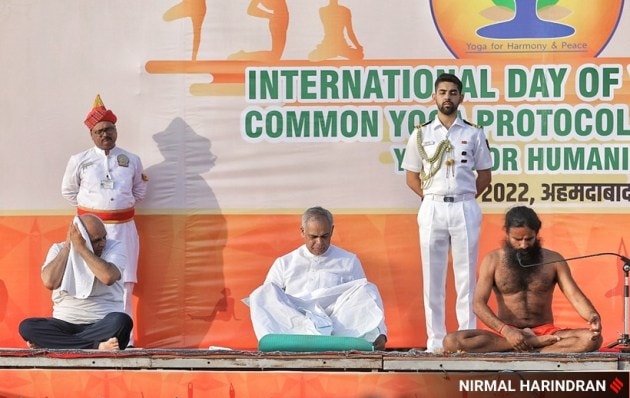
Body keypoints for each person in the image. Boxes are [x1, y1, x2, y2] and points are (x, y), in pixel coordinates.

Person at [401, 73, 493, 352]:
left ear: (461, 97)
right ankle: (436, 342)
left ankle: (467, 340)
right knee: (433, 277)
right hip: (432, 207)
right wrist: (432, 198)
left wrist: (463, 197)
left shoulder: (473, 133)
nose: (447, 97)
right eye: (442, 92)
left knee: (466, 278)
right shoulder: (422, 133)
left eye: (453, 92)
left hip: (464, 205)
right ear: (435, 97)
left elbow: (485, 175)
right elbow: (411, 176)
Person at [443, 206, 603, 353]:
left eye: (529, 239)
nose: (524, 245)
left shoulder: (554, 260)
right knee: (452, 341)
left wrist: (591, 315)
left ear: (537, 233)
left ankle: (527, 345)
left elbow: (574, 295)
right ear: (507, 233)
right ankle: (534, 344)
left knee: (591, 339)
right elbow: (478, 304)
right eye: (517, 240)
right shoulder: (492, 260)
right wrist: (507, 331)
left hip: (546, 331)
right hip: (505, 333)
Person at [61, 95, 148, 346]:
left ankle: (125, 340)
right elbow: (69, 192)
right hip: (89, 232)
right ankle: (92, 337)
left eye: (109, 129)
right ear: (92, 135)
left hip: (123, 230)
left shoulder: (131, 159)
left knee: (124, 281)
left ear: (116, 130)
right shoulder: (80, 160)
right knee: (87, 279)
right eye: (99, 131)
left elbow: (139, 192)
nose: (105, 134)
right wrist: (94, 217)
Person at [248, 207, 388, 350]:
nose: (319, 243)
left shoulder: (348, 261)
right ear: (302, 232)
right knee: (262, 293)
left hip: (337, 324)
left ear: (332, 231)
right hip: (296, 323)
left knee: (368, 289)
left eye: (325, 236)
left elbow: (365, 300)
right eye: (313, 237)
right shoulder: (285, 262)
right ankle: (283, 340)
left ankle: (329, 340)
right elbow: (269, 299)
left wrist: (381, 333)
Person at [18, 214, 133, 350]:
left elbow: (107, 277)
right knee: (27, 327)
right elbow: (50, 282)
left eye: (104, 237)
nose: (102, 243)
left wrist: (83, 249)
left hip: (102, 324)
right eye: (96, 240)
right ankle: (95, 346)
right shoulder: (58, 249)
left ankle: (56, 344)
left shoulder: (115, 247)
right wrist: (68, 247)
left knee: (121, 321)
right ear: (81, 237)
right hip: (65, 324)